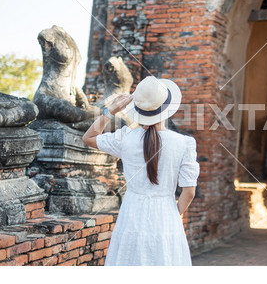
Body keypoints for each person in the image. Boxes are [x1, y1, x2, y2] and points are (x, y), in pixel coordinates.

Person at [82, 76, 200, 266]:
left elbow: (88, 137)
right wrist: (173, 214)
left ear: (139, 110)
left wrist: (110, 111)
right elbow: (189, 191)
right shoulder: (184, 143)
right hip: (166, 213)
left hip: (132, 212)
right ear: (166, 108)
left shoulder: (125, 138)